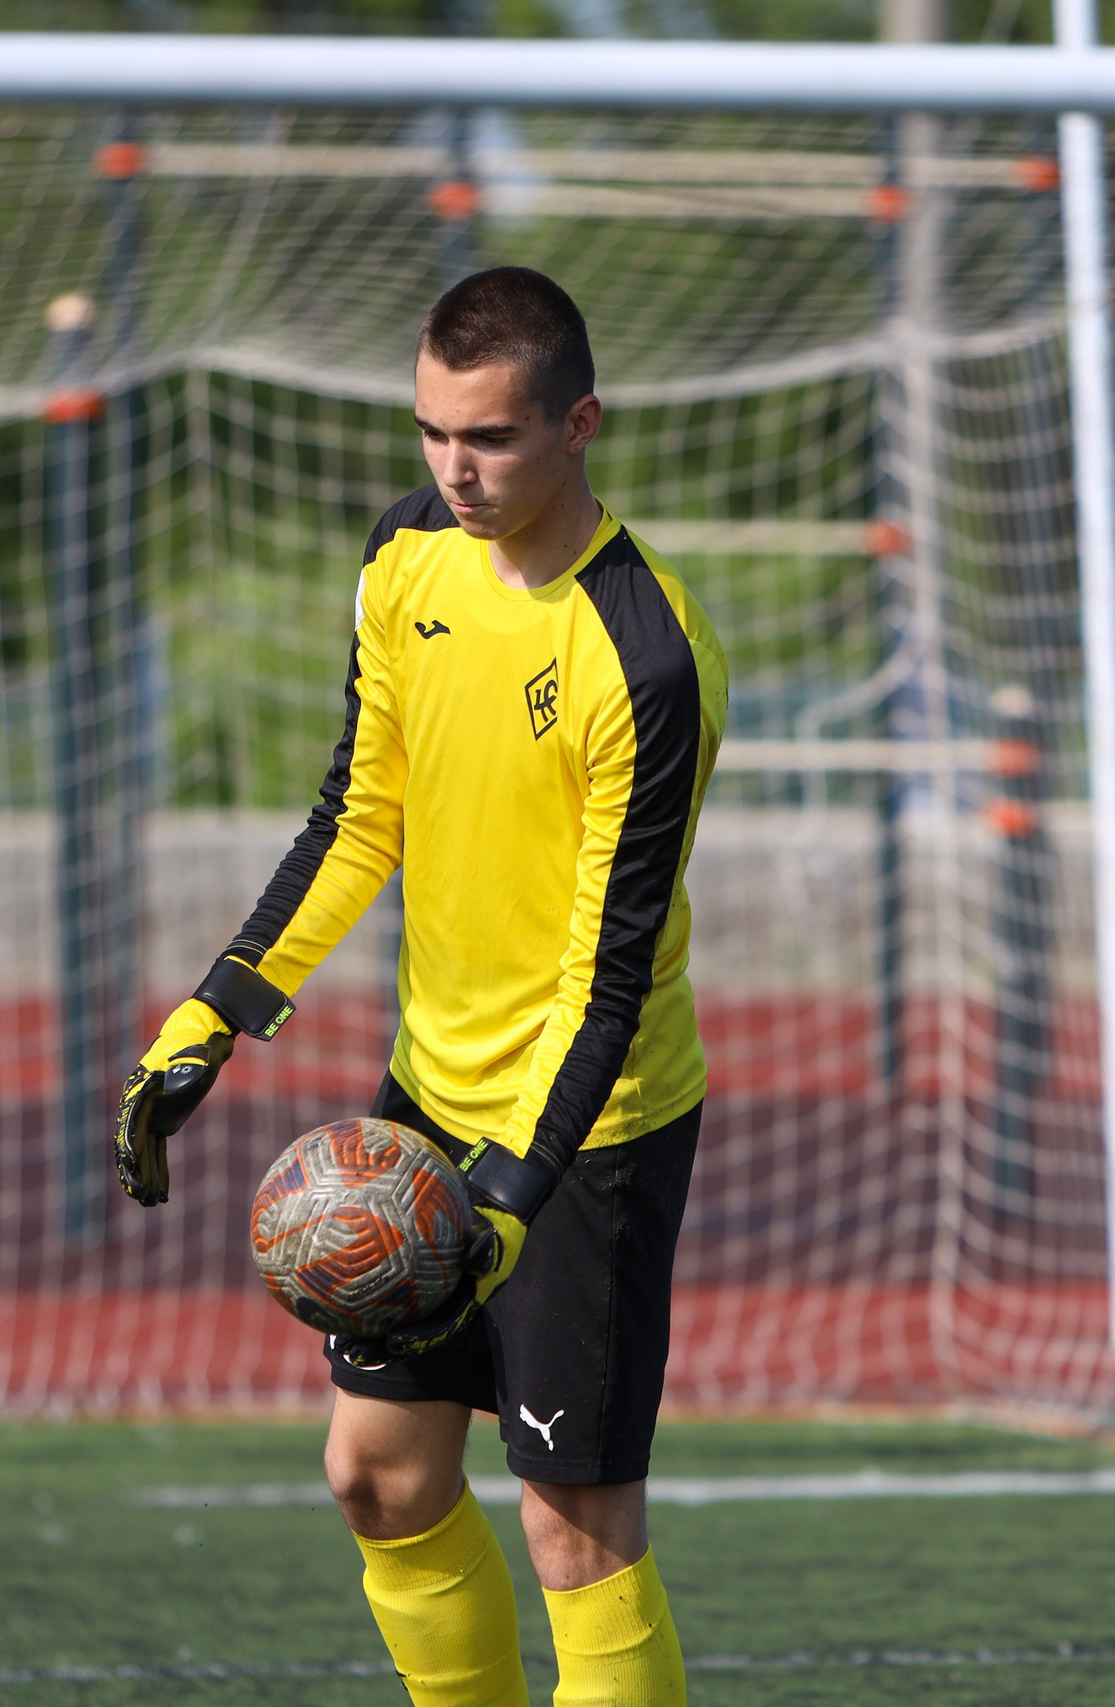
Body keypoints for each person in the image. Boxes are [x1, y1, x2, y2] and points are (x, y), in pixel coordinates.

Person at [115, 265, 728, 1707]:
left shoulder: (644, 654)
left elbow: (608, 969)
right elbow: (357, 817)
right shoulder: (405, 557)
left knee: (573, 1532)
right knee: (378, 1480)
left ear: (579, 424)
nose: (456, 468)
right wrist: (211, 1018)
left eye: (494, 437)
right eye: (433, 431)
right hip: (426, 1104)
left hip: (593, 1127)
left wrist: (515, 1185)